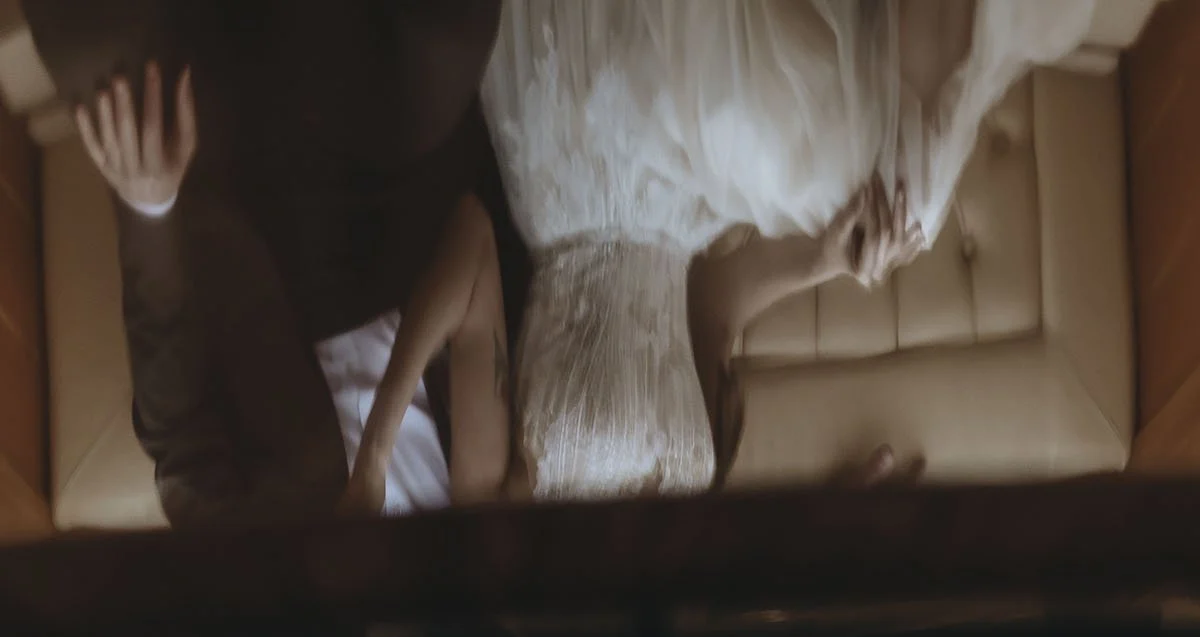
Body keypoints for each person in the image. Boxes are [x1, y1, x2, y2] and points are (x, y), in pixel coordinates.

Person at [479, 0, 1098, 499]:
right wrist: (834, 259)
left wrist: (375, 456)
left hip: (577, 173)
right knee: (910, 201)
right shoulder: (698, 534)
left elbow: (471, 280)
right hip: (674, 203)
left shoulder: (525, 542)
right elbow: (713, 314)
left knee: (867, 166)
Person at [23, 0, 527, 526]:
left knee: (93, 48)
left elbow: (175, 423)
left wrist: (151, 208)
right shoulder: (474, 515)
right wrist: (375, 451)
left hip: (240, 204)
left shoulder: (247, 568)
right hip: (383, 180)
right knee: (452, 32)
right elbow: (474, 240)